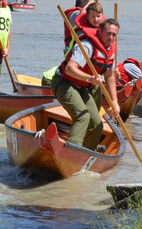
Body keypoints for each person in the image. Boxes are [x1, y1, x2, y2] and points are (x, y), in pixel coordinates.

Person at [50, 18, 120, 149]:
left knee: (96, 124)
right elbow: (70, 68)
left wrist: (114, 101)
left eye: (114, 35)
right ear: (99, 31)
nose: (111, 37)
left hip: (82, 87)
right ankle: (71, 152)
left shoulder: (111, 49)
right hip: (64, 83)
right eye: (108, 33)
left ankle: (88, 152)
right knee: (83, 116)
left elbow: (109, 75)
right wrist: (90, 79)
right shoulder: (87, 45)